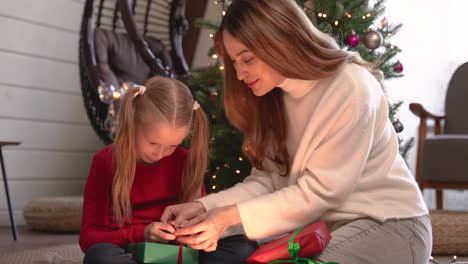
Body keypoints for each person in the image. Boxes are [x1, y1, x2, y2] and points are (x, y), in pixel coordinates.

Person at [160, 0, 432, 263]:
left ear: (279, 42)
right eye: (234, 62)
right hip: (319, 229)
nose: (240, 73)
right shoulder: (273, 97)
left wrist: (228, 217)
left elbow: (321, 193)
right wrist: (204, 208)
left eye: (248, 59)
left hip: (390, 225)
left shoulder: (351, 86)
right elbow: (267, 182)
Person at [79, 77, 212, 264]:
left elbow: (202, 221)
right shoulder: (105, 161)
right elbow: (88, 238)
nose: (160, 153)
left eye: (173, 145)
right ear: (133, 123)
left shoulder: (186, 161)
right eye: (152, 142)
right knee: (99, 256)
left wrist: (191, 232)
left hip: (177, 253)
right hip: (128, 251)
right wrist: (142, 233)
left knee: (240, 245)